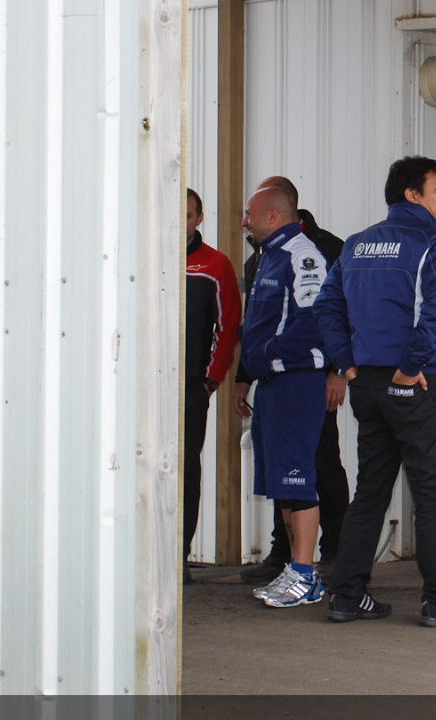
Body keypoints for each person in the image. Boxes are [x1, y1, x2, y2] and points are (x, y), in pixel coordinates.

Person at [315, 156, 436, 627]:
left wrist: (347, 364)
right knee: (433, 494)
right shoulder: (433, 243)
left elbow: (327, 307)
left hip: (366, 383)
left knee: (370, 493)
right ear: (412, 195)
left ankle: (347, 596)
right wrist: (411, 368)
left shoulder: (358, 245)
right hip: (415, 383)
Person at [235, 176, 350, 586]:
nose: (244, 221)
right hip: (273, 383)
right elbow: (257, 321)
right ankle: (292, 568)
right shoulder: (266, 255)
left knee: (301, 477)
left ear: (272, 214)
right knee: (283, 481)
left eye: (250, 214)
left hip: (298, 380)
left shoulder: (304, 255)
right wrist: (248, 371)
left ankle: (305, 574)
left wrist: (267, 353)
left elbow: (316, 318)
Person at [184, 188, 242, 582]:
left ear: (199, 218)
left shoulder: (215, 265)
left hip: (190, 388)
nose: (179, 221)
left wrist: (210, 380)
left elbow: (228, 327)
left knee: (185, 469)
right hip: (140, 390)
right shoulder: (141, 255)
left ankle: (177, 554)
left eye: (187, 215)